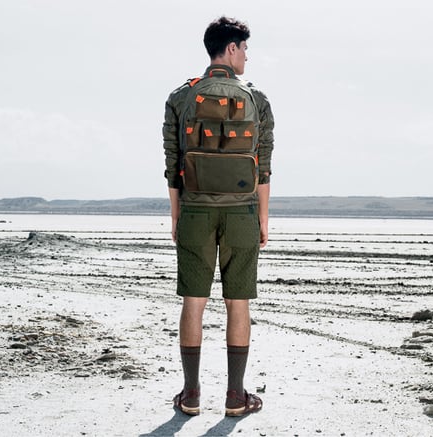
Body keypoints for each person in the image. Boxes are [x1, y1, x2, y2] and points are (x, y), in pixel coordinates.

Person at [162, 16, 274, 417]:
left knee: (194, 301)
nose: (246, 56)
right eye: (244, 48)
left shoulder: (181, 97)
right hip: (242, 211)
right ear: (230, 48)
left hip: (195, 209)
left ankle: (191, 395)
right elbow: (263, 167)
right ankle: (235, 397)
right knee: (237, 302)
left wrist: (176, 215)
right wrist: (263, 219)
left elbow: (172, 163)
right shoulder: (256, 98)